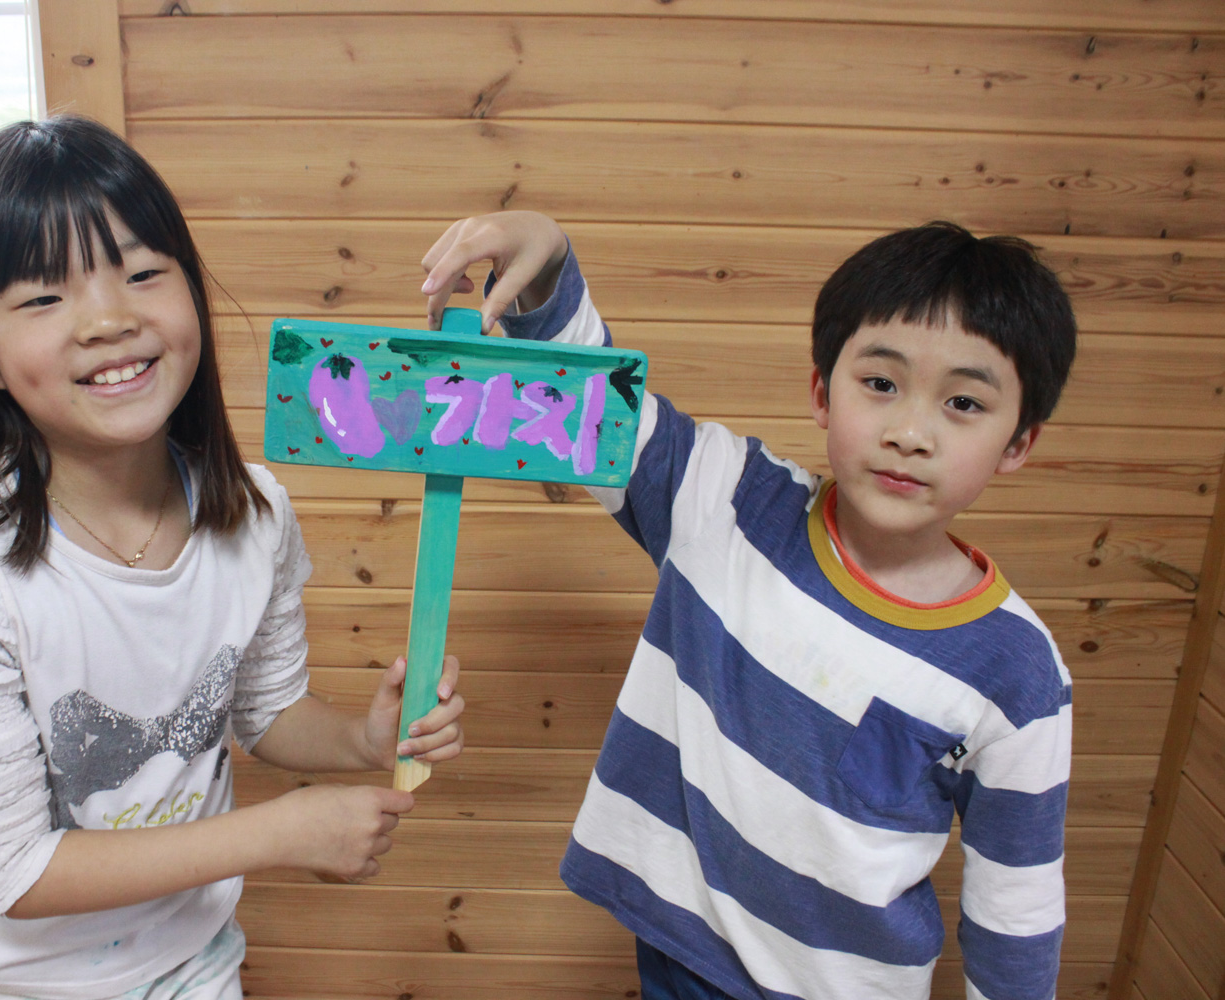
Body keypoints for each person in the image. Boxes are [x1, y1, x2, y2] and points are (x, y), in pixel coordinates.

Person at [0, 115, 464, 1000]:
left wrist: (363, 740)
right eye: (44, 298)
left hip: (189, 957)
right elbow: (11, 872)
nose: (110, 319)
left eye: (143, 273)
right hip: (3, 982)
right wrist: (279, 834)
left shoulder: (255, 514)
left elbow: (265, 712)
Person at [418, 212, 1075, 1000]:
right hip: (678, 954)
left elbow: (1016, 911)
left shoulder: (1017, 672)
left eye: (963, 403)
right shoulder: (725, 497)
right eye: (880, 383)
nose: (910, 432)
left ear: (1017, 443)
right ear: (822, 393)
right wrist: (550, 261)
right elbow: (598, 412)